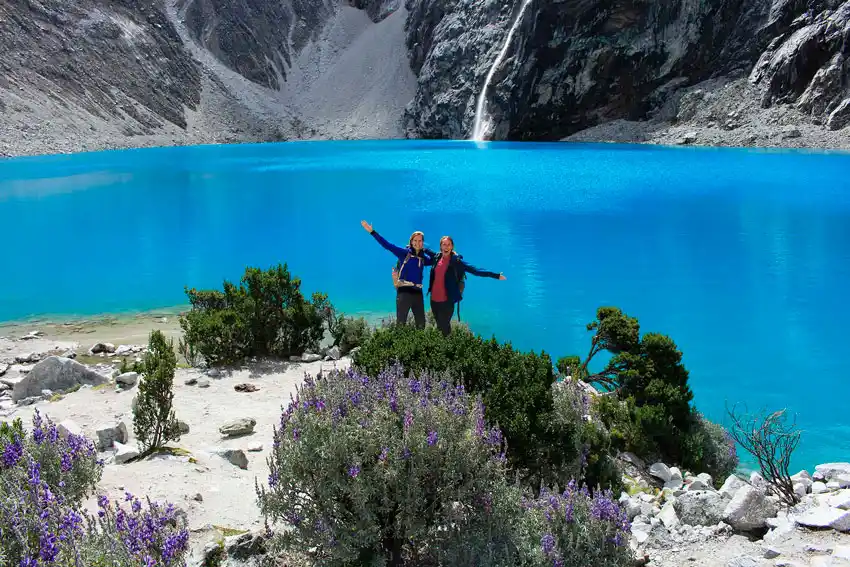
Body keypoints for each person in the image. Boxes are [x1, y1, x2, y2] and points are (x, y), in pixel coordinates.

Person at [361, 220, 435, 328]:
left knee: (421, 324)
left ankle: (418, 344)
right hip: (404, 291)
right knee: (401, 324)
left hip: (418, 292)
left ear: (423, 242)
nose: (417, 243)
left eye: (420, 241)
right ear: (411, 241)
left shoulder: (423, 258)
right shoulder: (404, 253)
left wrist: (426, 250)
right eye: (415, 240)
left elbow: (434, 260)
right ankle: (399, 344)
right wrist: (372, 232)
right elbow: (387, 245)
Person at [428, 235, 505, 336]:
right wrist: (412, 248)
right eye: (444, 244)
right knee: (440, 326)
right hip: (434, 300)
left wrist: (495, 275)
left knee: (444, 328)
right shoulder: (437, 257)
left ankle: (446, 348)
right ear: (441, 247)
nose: (446, 247)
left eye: (448, 245)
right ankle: (445, 346)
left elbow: (476, 270)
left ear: (452, 247)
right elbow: (424, 250)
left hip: (447, 301)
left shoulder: (457, 262)